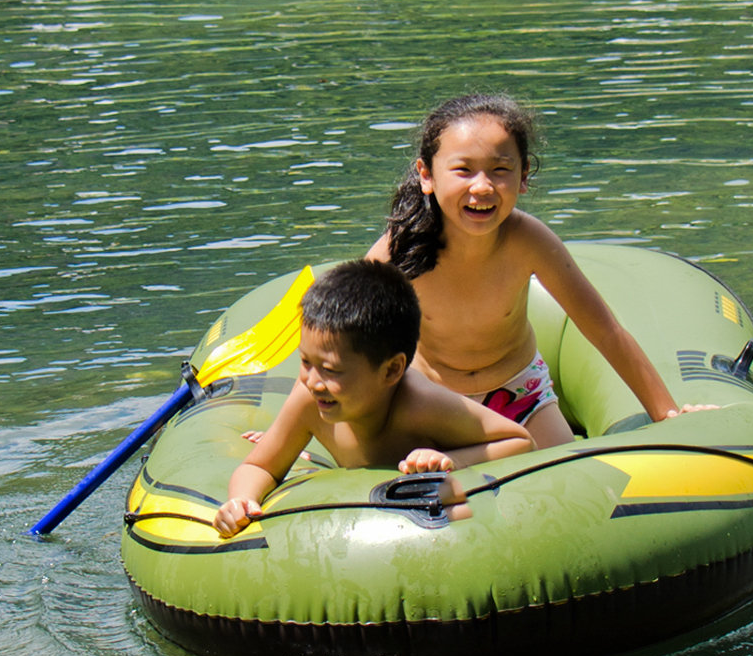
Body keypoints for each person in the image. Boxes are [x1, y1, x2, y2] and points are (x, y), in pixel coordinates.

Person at [366, 92, 708, 448]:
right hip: (433, 398)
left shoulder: (528, 240)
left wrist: (667, 415)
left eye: (500, 170)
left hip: (519, 394)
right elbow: (340, 325)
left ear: (524, 175)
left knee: (568, 480)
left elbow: (605, 331)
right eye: (463, 170)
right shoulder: (403, 246)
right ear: (427, 175)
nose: (482, 186)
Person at [213, 260, 535, 539]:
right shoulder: (307, 400)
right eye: (305, 362)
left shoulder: (421, 405)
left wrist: (448, 459)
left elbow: (520, 441)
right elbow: (260, 466)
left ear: (392, 370)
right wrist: (241, 500)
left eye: (330, 370)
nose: (312, 382)